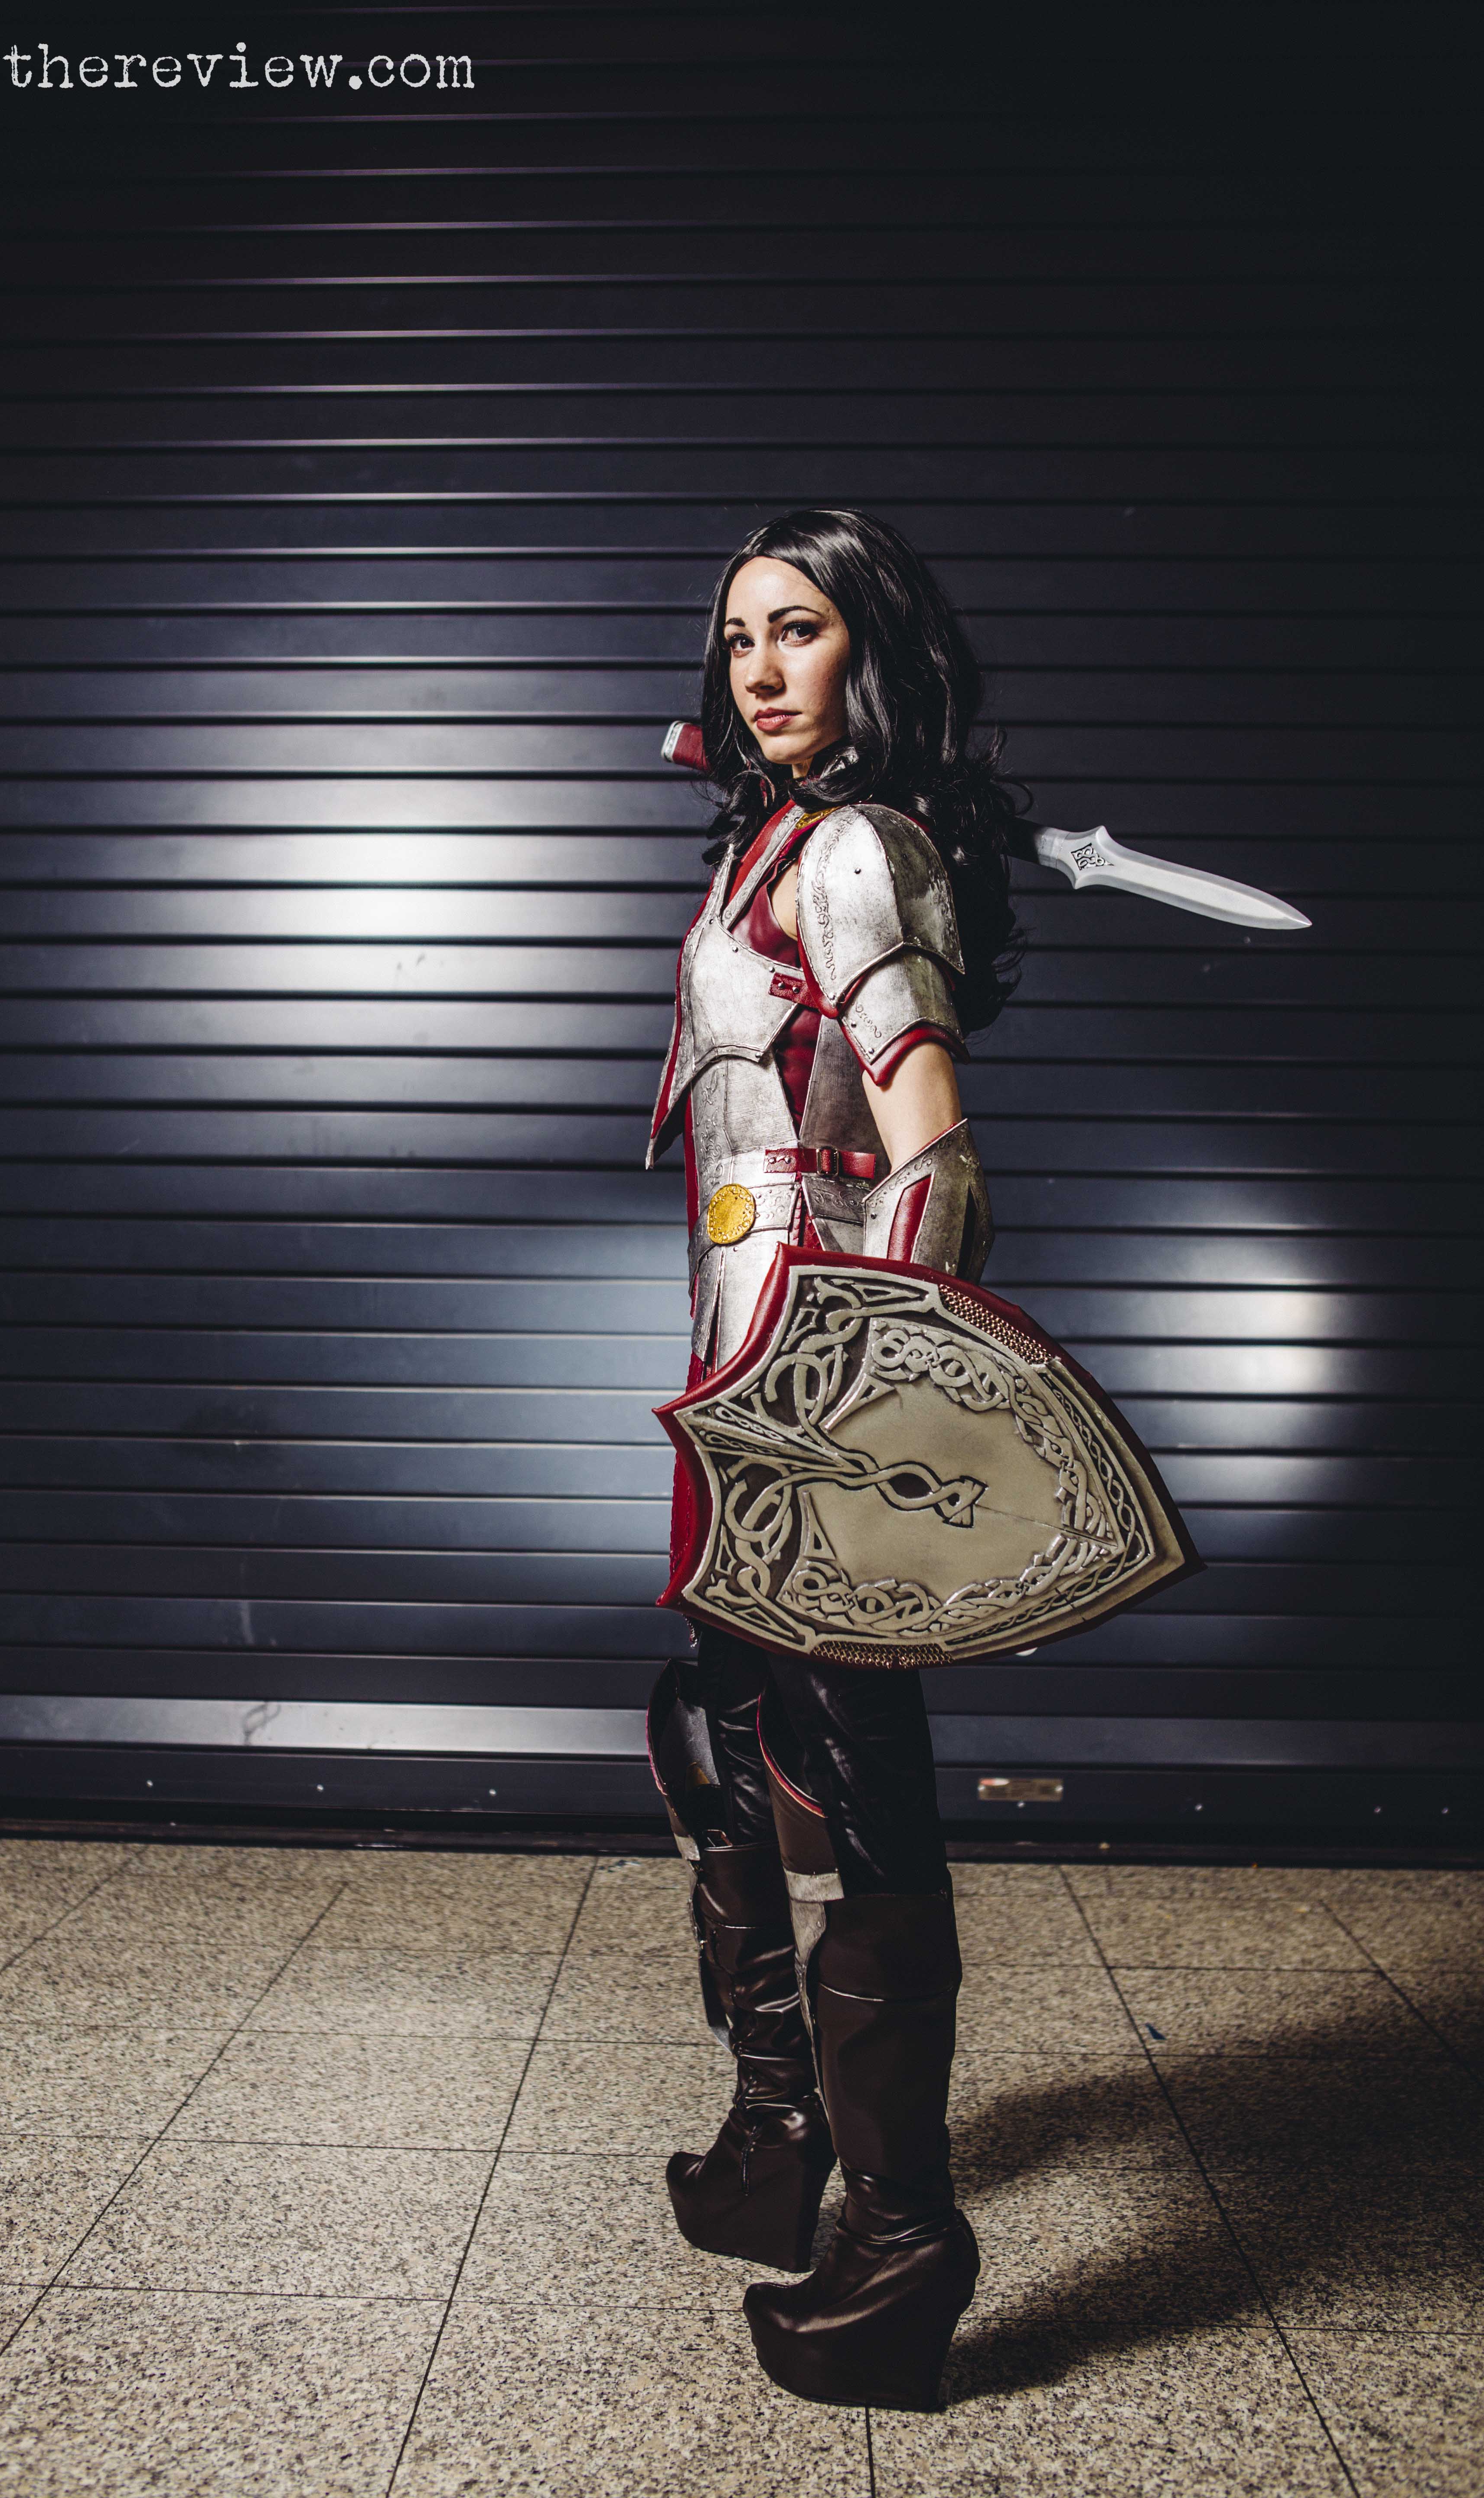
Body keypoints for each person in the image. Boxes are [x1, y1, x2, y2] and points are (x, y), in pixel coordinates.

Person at [644, 507, 1024, 2413]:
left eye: (797, 630)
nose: (762, 668)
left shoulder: (864, 846)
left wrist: (873, 1413)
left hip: (818, 1384)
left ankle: (902, 2236)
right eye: (739, 639)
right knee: (726, 1739)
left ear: (867, 645)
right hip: (735, 1363)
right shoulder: (769, 843)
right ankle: (779, 2132)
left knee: (855, 1788)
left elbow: (933, 1156)